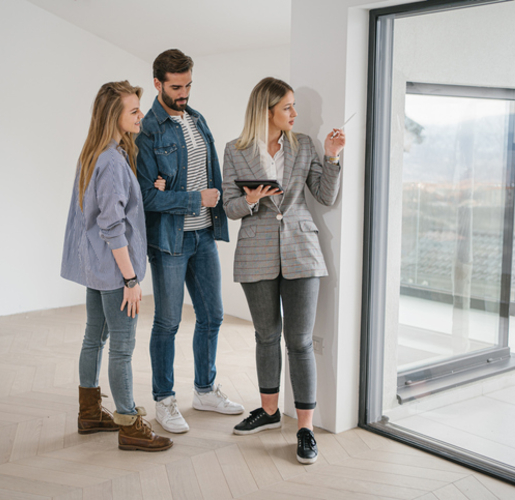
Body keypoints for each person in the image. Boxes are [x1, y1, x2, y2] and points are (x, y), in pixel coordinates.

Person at [221, 77, 345, 464]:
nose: (295, 113)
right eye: (288, 107)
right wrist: (250, 199)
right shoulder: (235, 150)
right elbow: (228, 206)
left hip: (302, 251)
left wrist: (332, 157)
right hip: (255, 252)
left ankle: (305, 429)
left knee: (300, 340)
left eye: (294, 106)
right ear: (267, 111)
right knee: (265, 335)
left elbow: (324, 195)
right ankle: (270, 412)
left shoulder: (304, 144)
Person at [135, 49, 244, 434]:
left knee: (212, 316)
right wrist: (195, 198)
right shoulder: (148, 129)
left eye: (188, 86)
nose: (184, 94)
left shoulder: (197, 120)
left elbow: (206, 173)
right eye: (176, 87)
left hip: (204, 236)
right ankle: (164, 399)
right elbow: (147, 197)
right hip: (170, 241)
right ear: (158, 84)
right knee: (167, 322)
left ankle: (204, 390)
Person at [61, 81, 172, 452]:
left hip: (95, 265)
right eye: (134, 111)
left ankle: (89, 413)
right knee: (122, 346)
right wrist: (130, 278)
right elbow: (111, 225)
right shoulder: (110, 161)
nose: (141, 116)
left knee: (95, 337)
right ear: (115, 116)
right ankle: (129, 424)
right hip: (113, 270)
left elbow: (105, 213)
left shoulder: (97, 153)